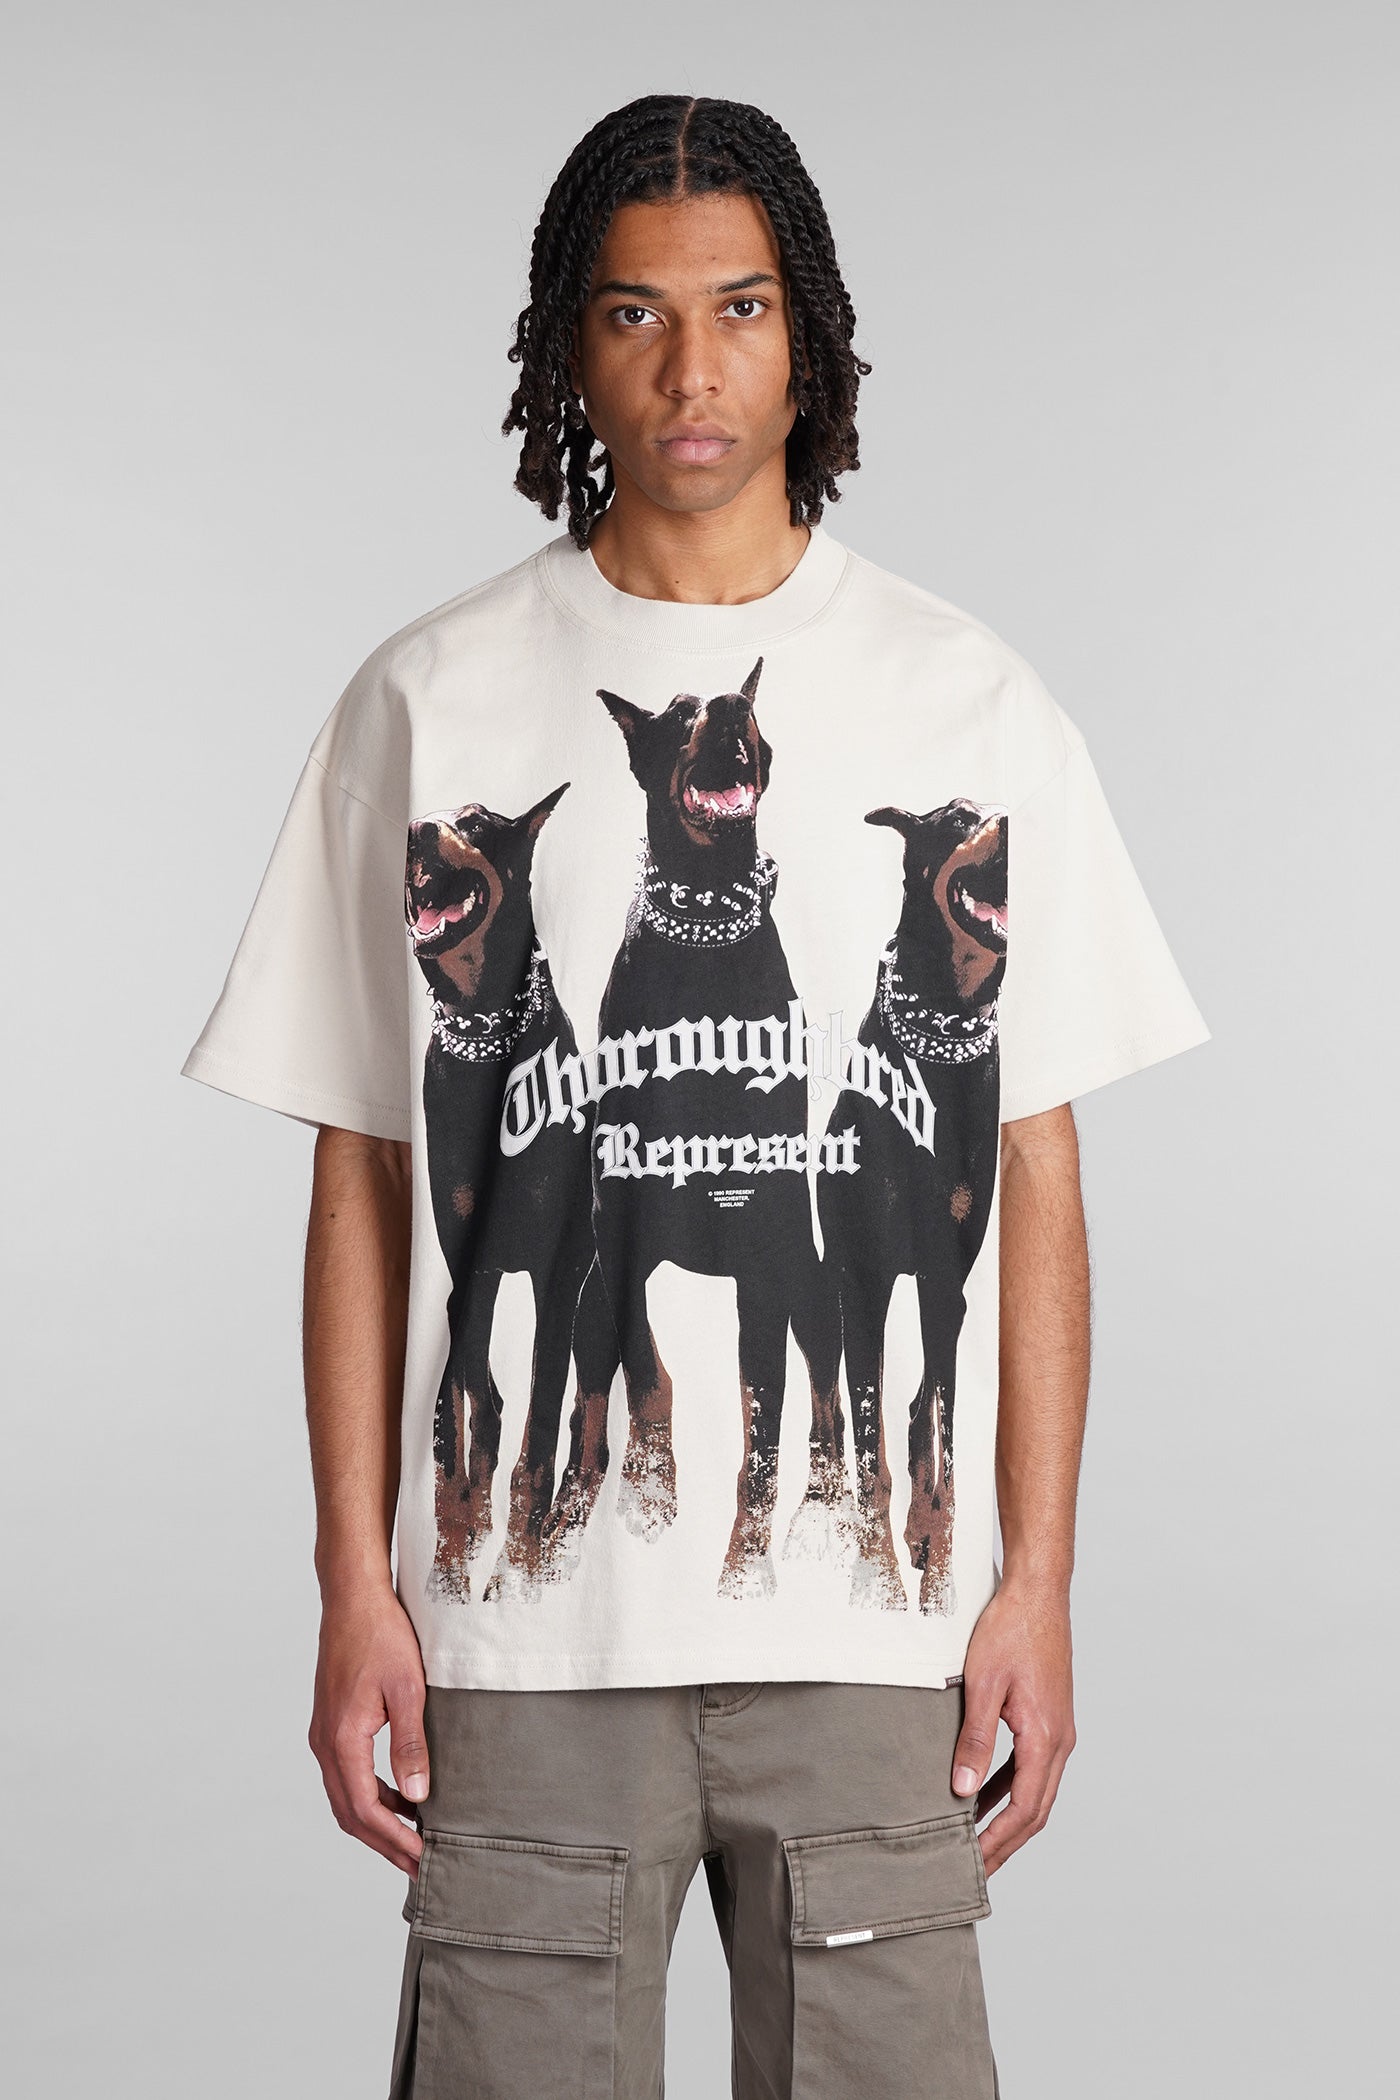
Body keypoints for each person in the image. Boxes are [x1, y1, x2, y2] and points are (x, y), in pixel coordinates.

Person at [181, 93, 1210, 2100]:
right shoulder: (428, 698)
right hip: (519, 1639)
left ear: (807, 336)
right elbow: (362, 1182)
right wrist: (349, 1586)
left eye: (738, 308)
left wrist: (1039, 1583)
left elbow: (1036, 1166)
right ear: (568, 349)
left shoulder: (969, 698)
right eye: (634, 314)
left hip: (876, 1636)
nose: (690, 370)